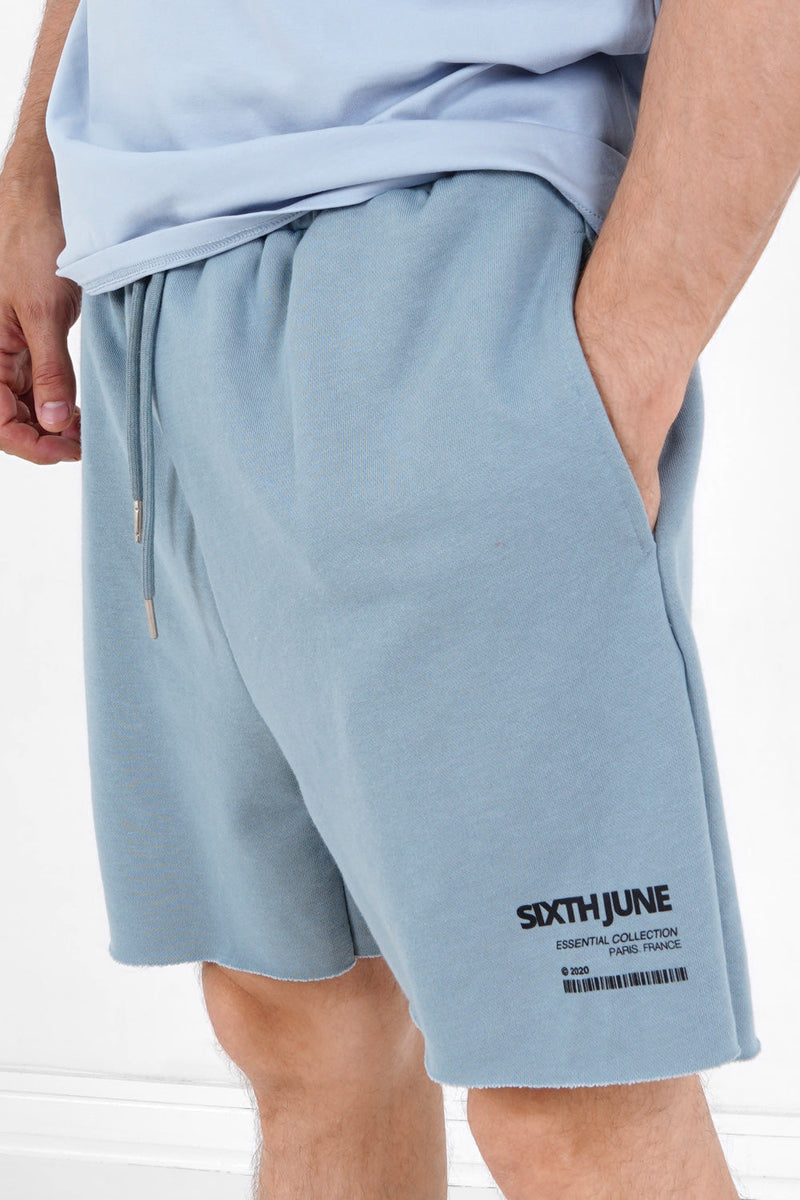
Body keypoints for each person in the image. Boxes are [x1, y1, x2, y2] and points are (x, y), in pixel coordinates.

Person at [1, 0, 795, 1195]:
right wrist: (36, 167)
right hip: (147, 286)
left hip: (444, 244)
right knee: (298, 1023)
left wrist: (627, 362)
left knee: (569, 1093)